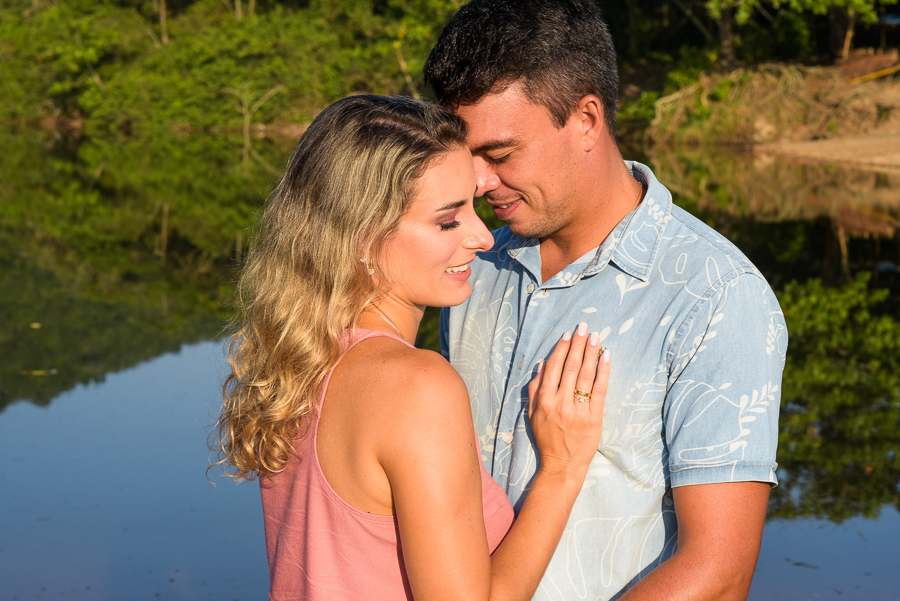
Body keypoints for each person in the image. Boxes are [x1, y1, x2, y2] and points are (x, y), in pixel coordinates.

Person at [423, 1, 788, 600]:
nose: (480, 182)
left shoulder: (715, 296)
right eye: (468, 156)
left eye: (501, 153)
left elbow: (717, 574)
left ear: (587, 119)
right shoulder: (471, 261)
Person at [213, 94, 613, 601]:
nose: (482, 237)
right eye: (448, 220)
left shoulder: (301, 360)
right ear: (362, 236)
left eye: (473, 205)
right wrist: (561, 467)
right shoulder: (418, 387)